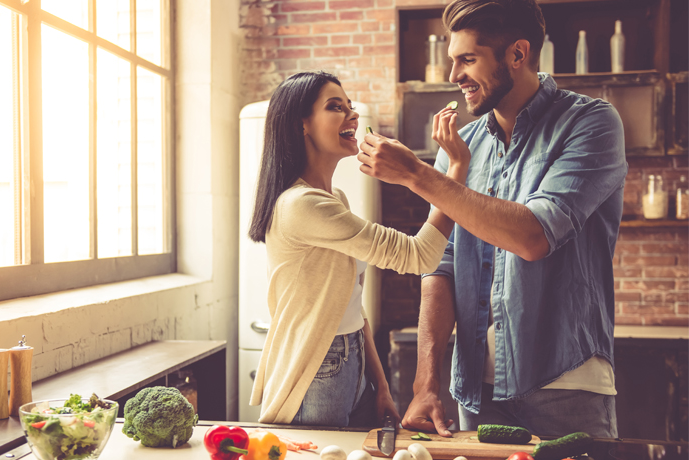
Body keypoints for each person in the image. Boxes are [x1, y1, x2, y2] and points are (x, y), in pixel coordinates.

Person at [357, 0, 627, 438]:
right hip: (477, 391)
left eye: (467, 59)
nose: (453, 76)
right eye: (452, 60)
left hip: (566, 382)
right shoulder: (463, 146)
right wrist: (427, 380)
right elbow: (440, 266)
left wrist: (416, 174)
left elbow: (533, 235)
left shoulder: (591, 124)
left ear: (517, 54)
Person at [247, 71, 470, 426]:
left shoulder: (334, 199)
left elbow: (350, 303)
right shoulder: (303, 205)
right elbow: (420, 255)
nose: (352, 115)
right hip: (318, 366)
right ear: (301, 124)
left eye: (350, 106)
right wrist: (455, 169)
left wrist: (378, 384)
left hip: (349, 359)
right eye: (336, 107)